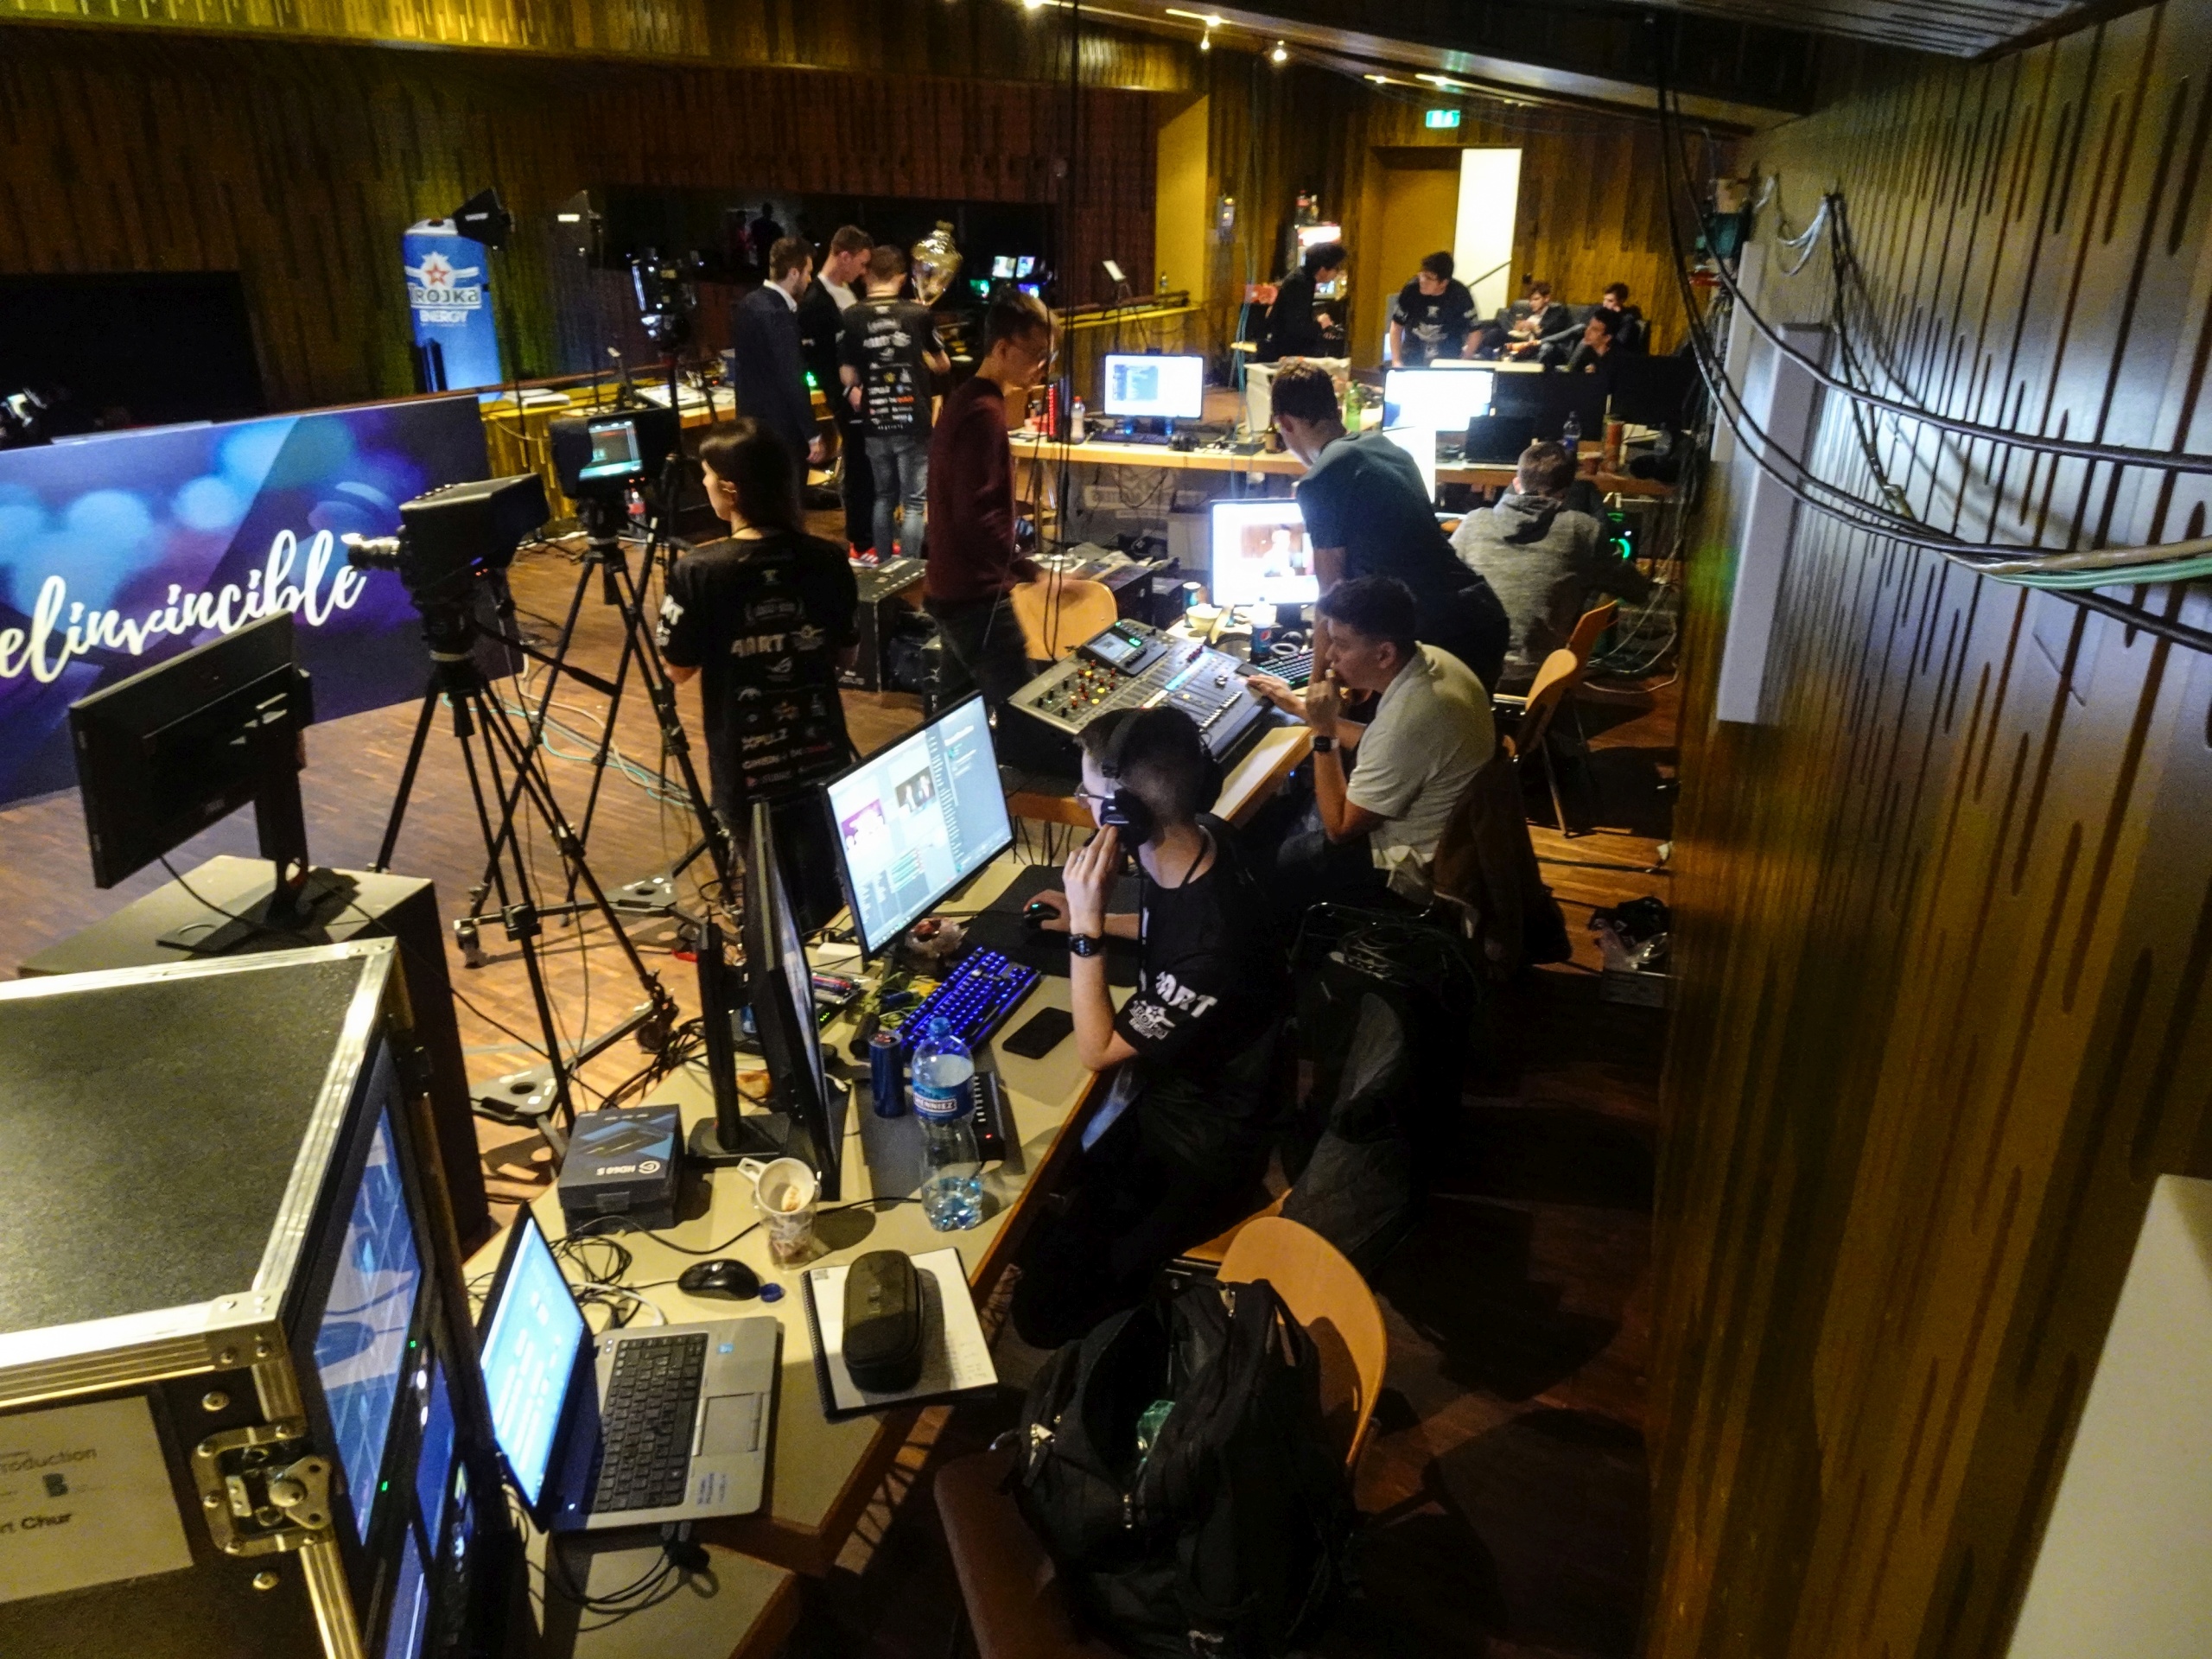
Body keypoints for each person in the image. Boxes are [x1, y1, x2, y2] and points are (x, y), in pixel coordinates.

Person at [1011, 706, 1287, 1348]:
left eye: (1088, 794)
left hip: (1199, 1143)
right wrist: (1094, 919)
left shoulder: (1211, 949)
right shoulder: (1201, 839)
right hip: (1184, 1097)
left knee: (1039, 1317)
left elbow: (1097, 1049)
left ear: (1122, 815)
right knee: (1057, 1187)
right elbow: (1169, 924)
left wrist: (1085, 931)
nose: (1082, 803)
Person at [657, 419, 858, 925]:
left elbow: (678, 669)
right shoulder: (827, 559)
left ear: (729, 488)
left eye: (706, 475)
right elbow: (846, 657)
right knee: (826, 889)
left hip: (747, 766)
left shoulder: (698, 570)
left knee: (771, 903)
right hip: (822, 754)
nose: (704, 485)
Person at [1249, 575, 1497, 906]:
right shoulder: (1432, 660)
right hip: (1432, 830)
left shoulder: (1409, 722)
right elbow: (1379, 742)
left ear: (1384, 654)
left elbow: (1339, 829)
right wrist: (1300, 708)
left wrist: (1324, 731)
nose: (1330, 655)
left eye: (1341, 644)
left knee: (1258, 869)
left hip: (1400, 868)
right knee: (1281, 810)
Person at [1268, 361, 1509, 689]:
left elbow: (1332, 593)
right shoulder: (1386, 447)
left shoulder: (1320, 479)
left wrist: (1316, 684)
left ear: (1284, 423)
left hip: (1442, 633)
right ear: (1335, 409)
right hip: (1482, 615)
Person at [924, 288, 1055, 708]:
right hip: (975, 594)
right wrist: (1028, 568)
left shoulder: (970, 400)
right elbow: (977, 516)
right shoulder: (983, 412)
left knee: (953, 714)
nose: (1043, 367)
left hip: (953, 585)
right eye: (1037, 355)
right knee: (1023, 717)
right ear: (1002, 348)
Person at [1452, 441, 1653, 692]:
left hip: (1465, 675)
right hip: (1536, 681)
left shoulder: (1474, 522)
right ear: (1565, 492)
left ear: (1516, 483)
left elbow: (1438, 583)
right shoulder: (1582, 530)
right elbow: (1637, 590)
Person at [840, 244, 950, 563]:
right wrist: (915, 354)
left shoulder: (851, 316)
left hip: (875, 418)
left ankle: (885, 567)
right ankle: (910, 571)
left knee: (883, 497)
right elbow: (943, 365)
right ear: (901, 278)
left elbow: (848, 376)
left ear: (867, 275)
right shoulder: (918, 314)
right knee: (913, 503)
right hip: (912, 417)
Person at [797, 225, 875, 556]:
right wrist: (846, 393)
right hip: (845, 397)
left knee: (869, 463)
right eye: (861, 263)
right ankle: (860, 540)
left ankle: (871, 532)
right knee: (857, 463)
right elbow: (821, 362)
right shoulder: (815, 301)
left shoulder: (847, 292)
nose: (863, 272)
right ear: (844, 256)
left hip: (865, 391)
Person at [728, 237, 825, 494]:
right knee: (788, 501)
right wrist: (812, 433)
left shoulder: (748, 303)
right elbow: (792, 376)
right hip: (782, 432)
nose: (809, 280)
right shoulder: (778, 314)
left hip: (752, 425)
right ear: (794, 273)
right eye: (807, 272)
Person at [1259, 239, 1347, 362]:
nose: (1337, 273)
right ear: (1323, 269)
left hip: (1285, 349)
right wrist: (1320, 324)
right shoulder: (1300, 283)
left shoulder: (1303, 278)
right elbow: (1296, 328)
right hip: (1284, 353)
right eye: (1336, 268)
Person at [1388, 251, 1477, 367]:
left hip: (1447, 360)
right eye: (1422, 275)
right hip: (1412, 356)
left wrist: (1465, 360)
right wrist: (1396, 361)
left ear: (1443, 283)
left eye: (1429, 278)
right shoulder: (1411, 290)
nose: (1422, 281)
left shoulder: (1460, 294)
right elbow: (1396, 326)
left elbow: (1475, 330)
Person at [1562, 305, 1621, 374]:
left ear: (1607, 337)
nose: (1587, 331)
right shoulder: (1586, 350)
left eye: (1595, 330)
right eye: (1589, 325)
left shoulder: (1617, 362)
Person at [1597, 282, 1648, 352]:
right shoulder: (1602, 313)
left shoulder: (1627, 319)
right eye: (1604, 299)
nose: (1605, 304)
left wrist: (1615, 316)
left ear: (1621, 301)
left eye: (1610, 301)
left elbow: (1618, 343)